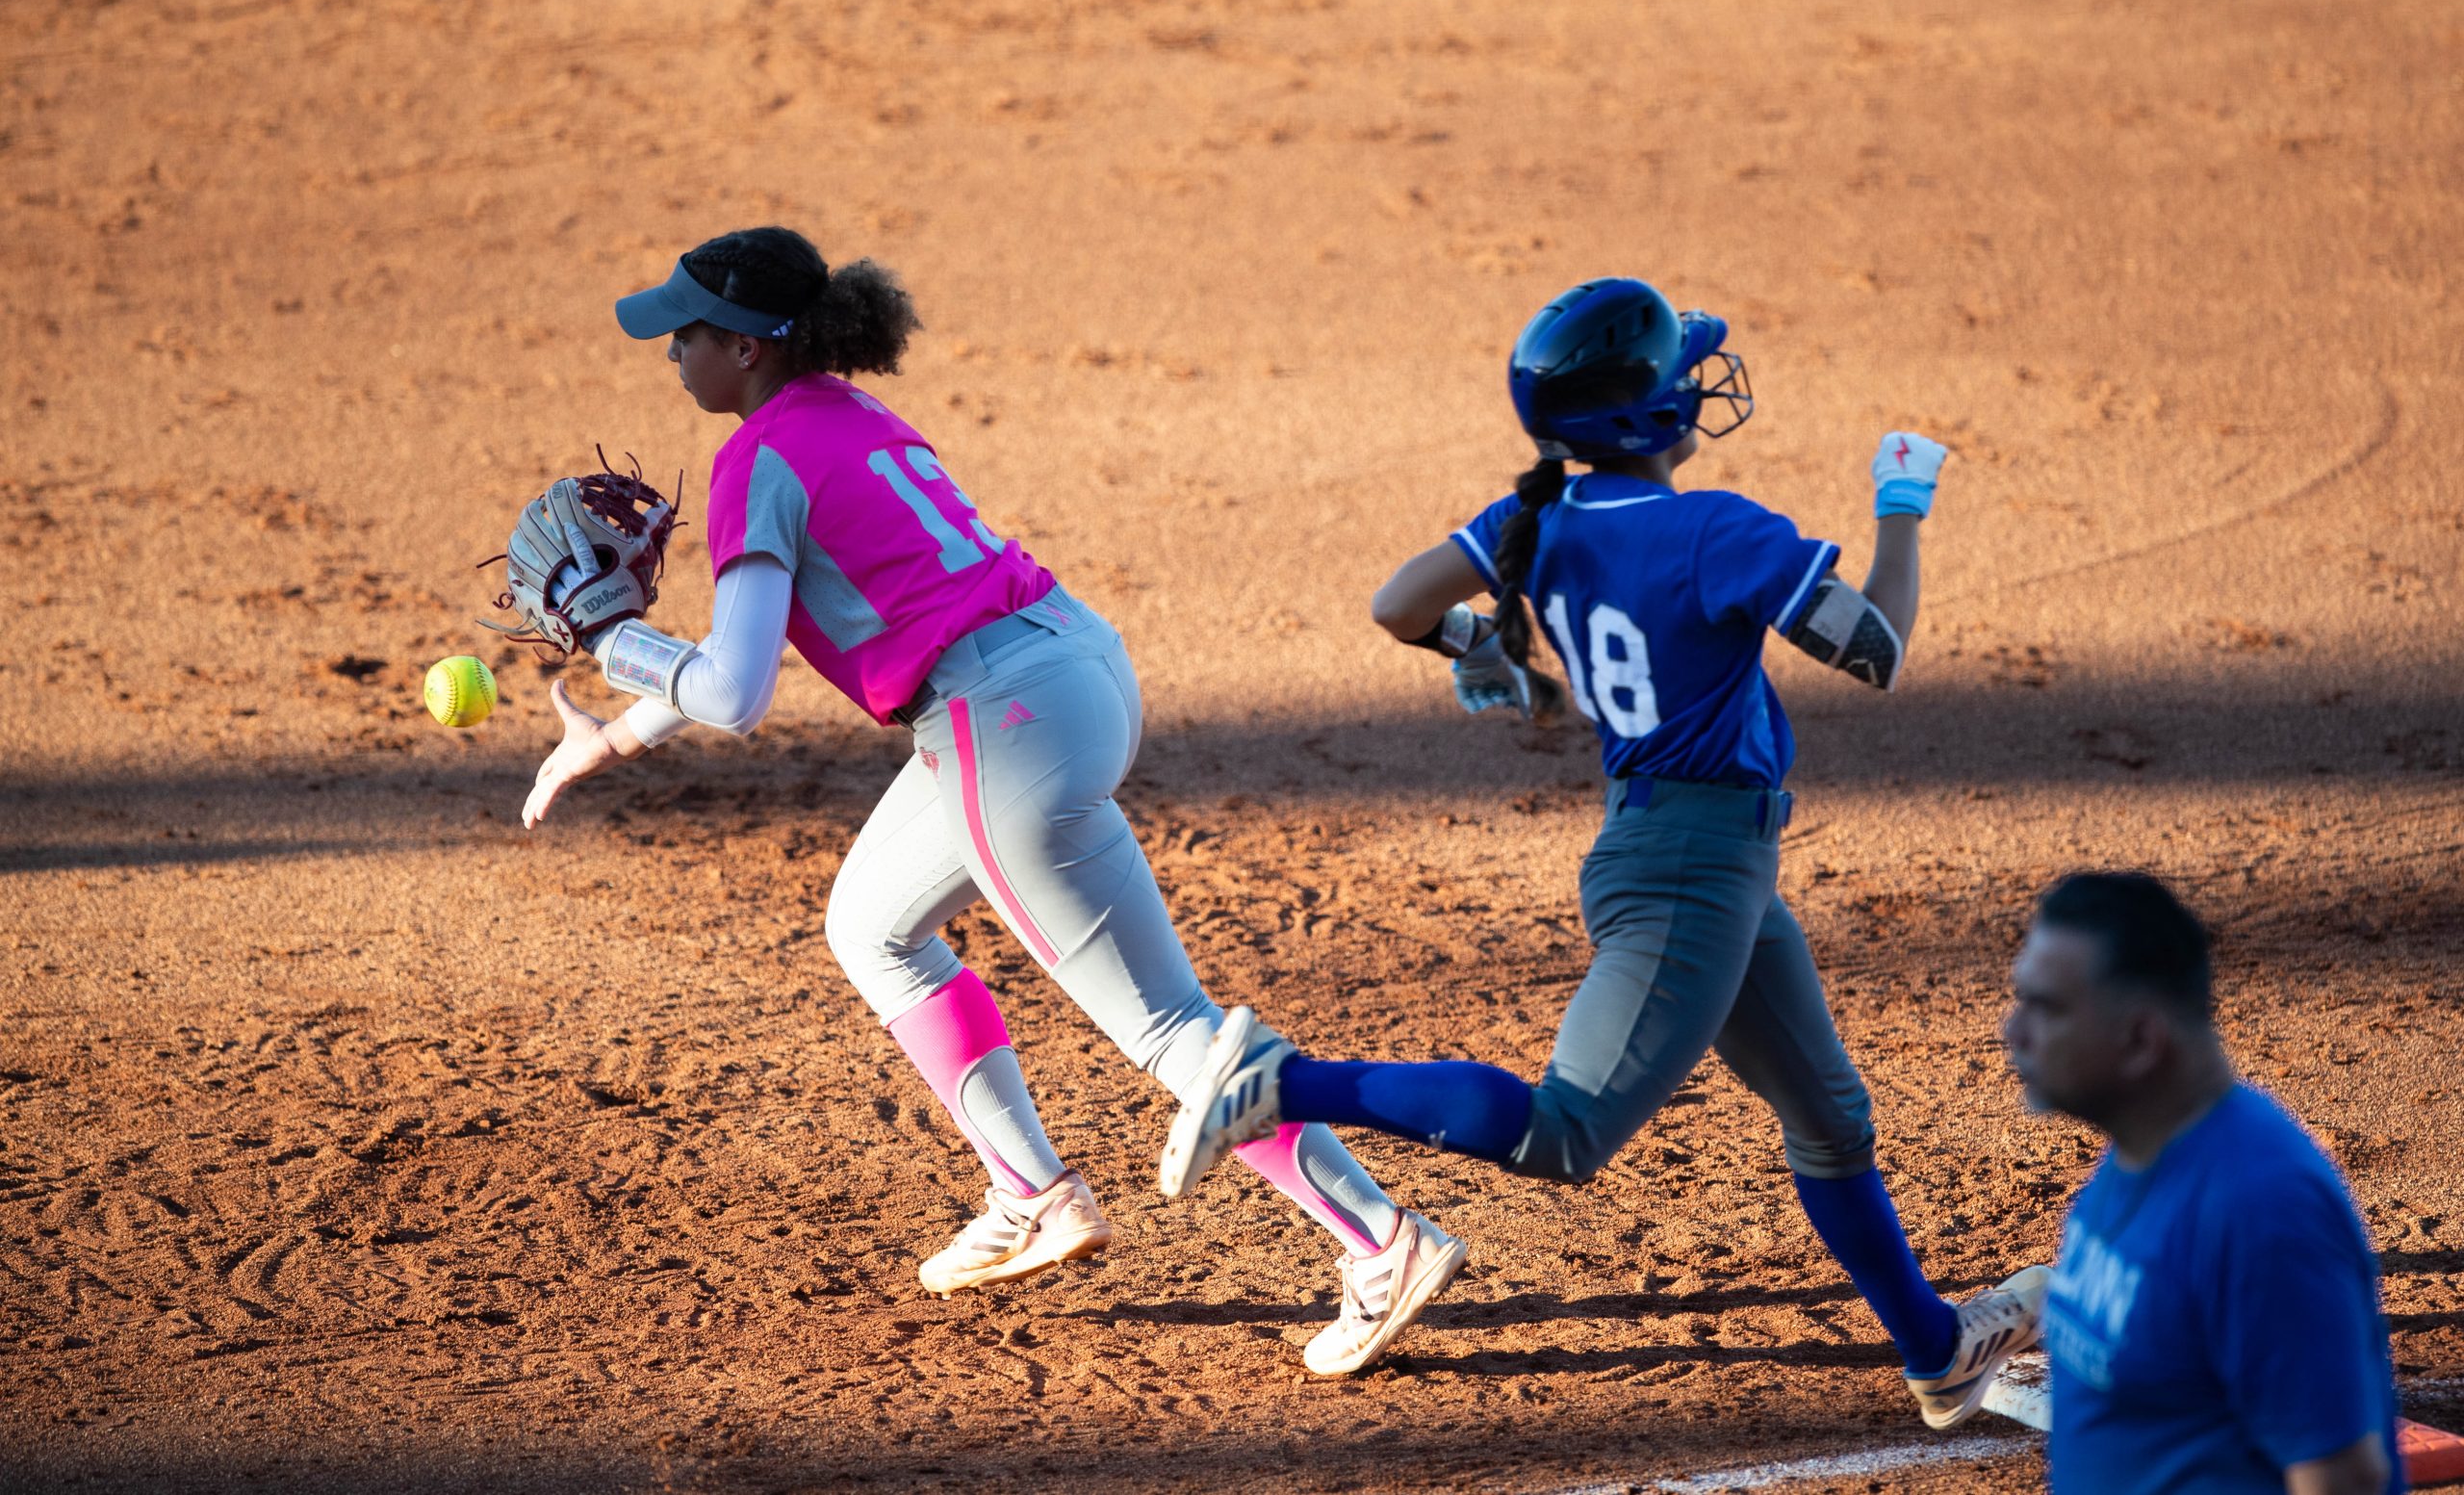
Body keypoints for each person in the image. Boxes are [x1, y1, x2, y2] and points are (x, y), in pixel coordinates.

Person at [516, 225, 1466, 1375]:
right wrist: (610, 740)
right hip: (1068, 669)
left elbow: (736, 693)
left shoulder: (754, 461)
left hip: (997, 721)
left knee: (1166, 1024)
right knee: (871, 925)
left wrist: (618, 643)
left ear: (751, 347)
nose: (670, 353)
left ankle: (1380, 1239)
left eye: (688, 333)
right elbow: (731, 655)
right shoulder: (843, 419)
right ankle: (1032, 1191)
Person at [1157, 276, 2045, 1425]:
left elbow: (1398, 604)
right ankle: (1281, 1085)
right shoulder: (1713, 530)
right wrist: (1902, 506)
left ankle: (1937, 1351)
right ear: (1645, 418)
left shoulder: (1537, 522)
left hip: (1694, 862)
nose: (1692, 380)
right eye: (1676, 370)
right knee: (1563, 1135)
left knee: (1830, 1119)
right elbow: (1873, 649)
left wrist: (1486, 649)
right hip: (1688, 876)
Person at [2006, 871, 2402, 1494]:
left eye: (2047, 1008)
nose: (2015, 1032)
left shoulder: (2260, 1211)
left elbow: (2343, 1479)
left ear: (2140, 1039)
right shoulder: (2137, 1151)